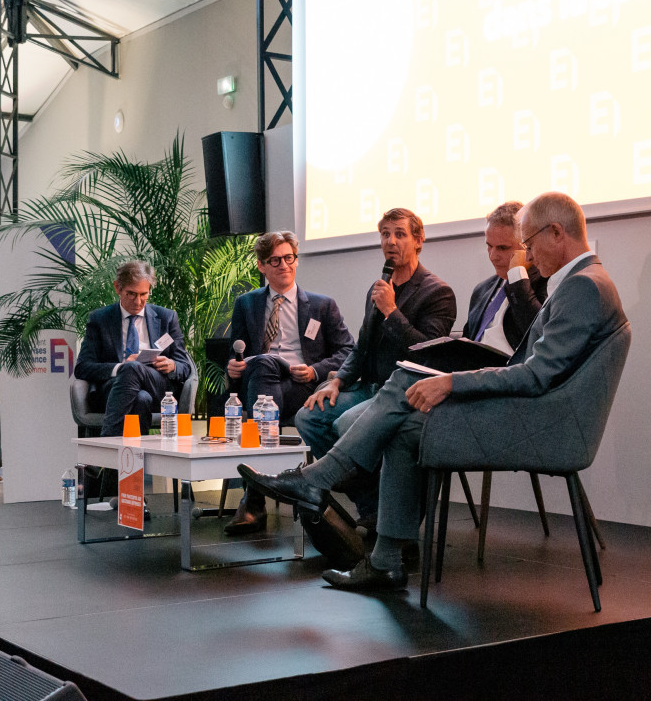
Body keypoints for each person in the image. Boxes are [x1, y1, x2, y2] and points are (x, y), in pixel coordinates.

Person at [240, 192, 627, 593]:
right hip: (531, 409)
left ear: (557, 233)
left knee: (408, 379)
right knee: (405, 421)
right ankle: (384, 561)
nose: (524, 255)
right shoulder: (583, 282)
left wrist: (452, 381)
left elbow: (533, 376)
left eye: (526, 244)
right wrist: (341, 378)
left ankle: (317, 479)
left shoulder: (581, 287)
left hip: (541, 420)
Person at [292, 207, 457, 528]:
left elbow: (427, 356)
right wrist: (337, 381)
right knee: (309, 417)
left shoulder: (437, 292)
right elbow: (362, 346)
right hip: (368, 387)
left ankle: (376, 507)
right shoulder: (378, 287)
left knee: (345, 424)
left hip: (405, 394)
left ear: (419, 240)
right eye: (385, 234)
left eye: (399, 234)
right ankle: (371, 503)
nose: (390, 241)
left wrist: (392, 311)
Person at [223, 230, 355, 535]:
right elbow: (237, 350)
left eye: (289, 258)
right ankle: (267, 491)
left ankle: (254, 501)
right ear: (262, 266)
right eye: (275, 260)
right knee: (264, 365)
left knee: (262, 389)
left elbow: (347, 351)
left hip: (302, 388)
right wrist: (233, 365)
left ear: (296, 261)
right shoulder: (247, 304)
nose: (284, 265)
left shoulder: (322, 305)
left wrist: (314, 370)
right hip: (262, 381)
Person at [74, 260, 191, 437]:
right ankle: (136, 461)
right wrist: (120, 368)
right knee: (139, 396)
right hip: (114, 389)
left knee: (134, 369)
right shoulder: (100, 320)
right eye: (131, 294)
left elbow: (185, 366)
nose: (138, 301)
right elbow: (82, 368)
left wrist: (172, 365)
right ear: (117, 288)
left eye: (144, 294)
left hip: (158, 386)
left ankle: (107, 446)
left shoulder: (166, 318)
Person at [464, 201, 547, 354]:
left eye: (503, 248)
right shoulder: (482, 289)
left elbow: (538, 335)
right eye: (489, 245)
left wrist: (517, 276)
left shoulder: (546, 282)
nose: (493, 256)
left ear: (526, 245)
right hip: (472, 371)